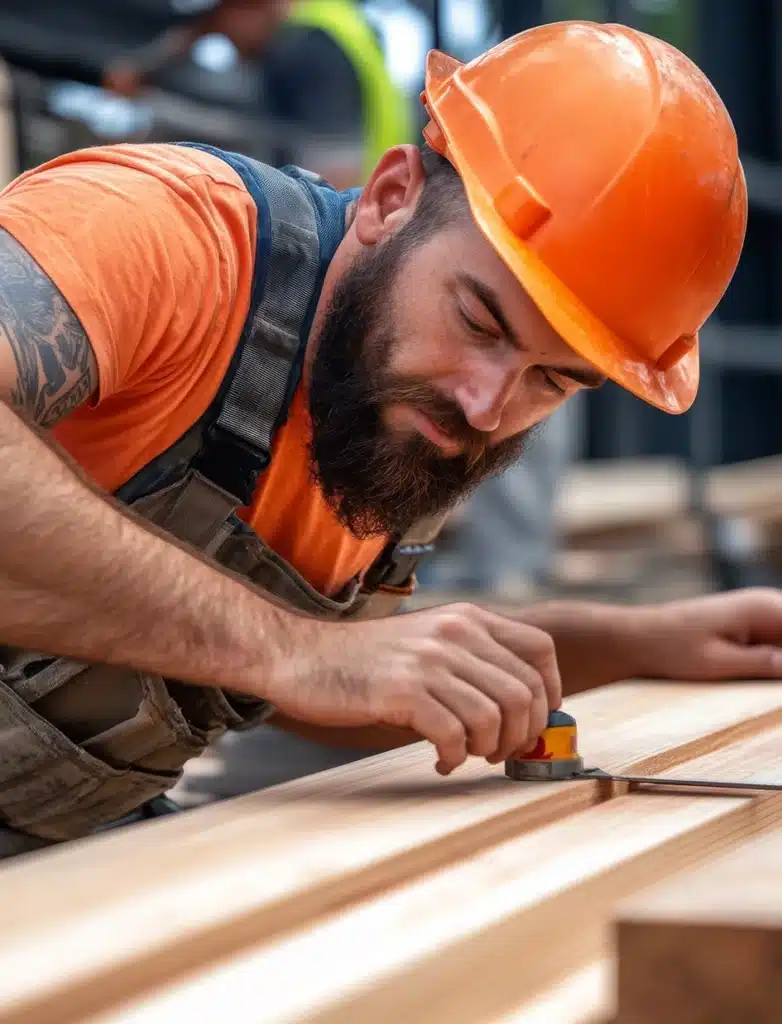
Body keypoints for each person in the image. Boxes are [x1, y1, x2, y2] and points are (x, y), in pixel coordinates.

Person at [0, 21, 772, 855]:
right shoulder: (168, 235)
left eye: (554, 379)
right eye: (480, 320)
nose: (487, 406)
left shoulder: (396, 412)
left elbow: (311, 677)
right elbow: (296, 657)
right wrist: (298, 653)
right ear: (390, 198)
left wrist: (640, 642)